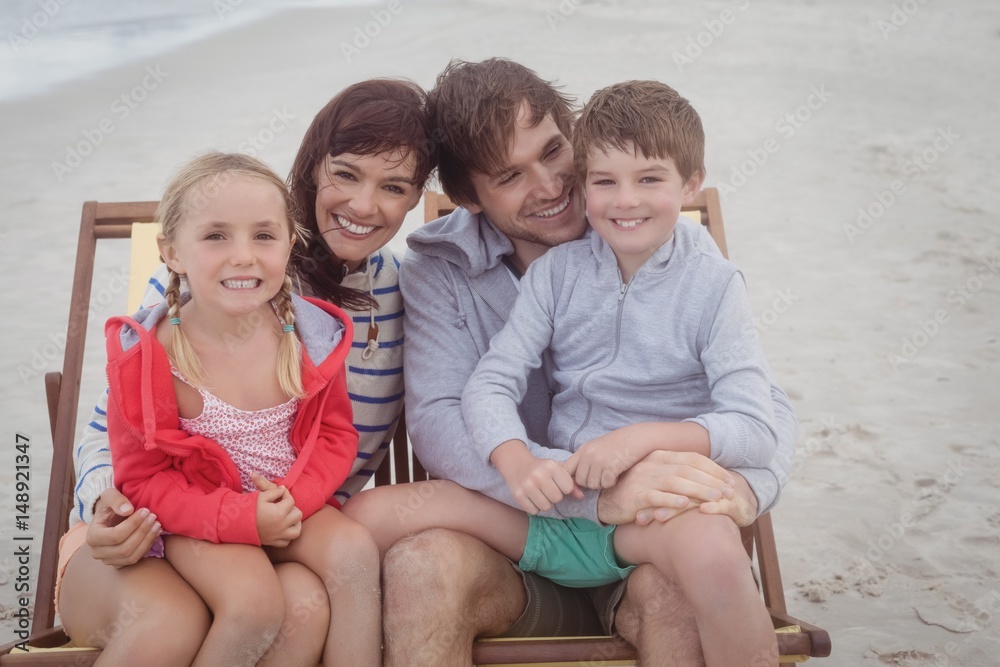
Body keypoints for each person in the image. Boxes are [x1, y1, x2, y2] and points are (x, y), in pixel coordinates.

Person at [345, 59, 795, 666]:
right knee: (422, 567)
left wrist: (745, 488)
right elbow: (443, 419)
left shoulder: (650, 236)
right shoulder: (442, 273)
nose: (553, 185)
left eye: (554, 151)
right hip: (518, 535)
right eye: (510, 176)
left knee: (677, 595)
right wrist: (594, 491)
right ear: (468, 198)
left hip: (646, 539)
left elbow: (762, 406)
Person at [58, 79, 433, 666]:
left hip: (289, 531)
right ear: (312, 168)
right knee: (171, 622)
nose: (364, 205)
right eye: (346, 174)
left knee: (301, 605)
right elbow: (119, 438)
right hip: (155, 531)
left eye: (393, 187)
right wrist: (104, 506)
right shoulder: (191, 297)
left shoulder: (393, 301)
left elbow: (340, 435)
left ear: (414, 200)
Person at [104, 151, 380, 667]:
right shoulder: (149, 358)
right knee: (254, 604)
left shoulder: (309, 338)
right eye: (215, 236)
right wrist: (242, 519)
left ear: (289, 245)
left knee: (355, 553)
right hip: (199, 520)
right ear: (171, 252)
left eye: (264, 236)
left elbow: (336, 435)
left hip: (289, 506)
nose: (244, 256)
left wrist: (290, 503)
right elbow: (142, 481)